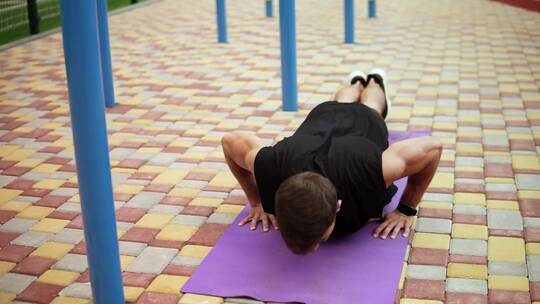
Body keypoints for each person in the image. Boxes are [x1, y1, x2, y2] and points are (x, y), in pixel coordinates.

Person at [221, 69, 443, 255]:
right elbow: (229, 142)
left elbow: (432, 149)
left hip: (364, 124)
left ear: (338, 206)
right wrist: (257, 202)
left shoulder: (369, 172)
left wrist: (406, 209)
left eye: (319, 237)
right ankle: (356, 82)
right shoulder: (270, 166)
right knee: (341, 101)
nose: (315, 248)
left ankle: (375, 79)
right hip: (323, 118)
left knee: (372, 106)